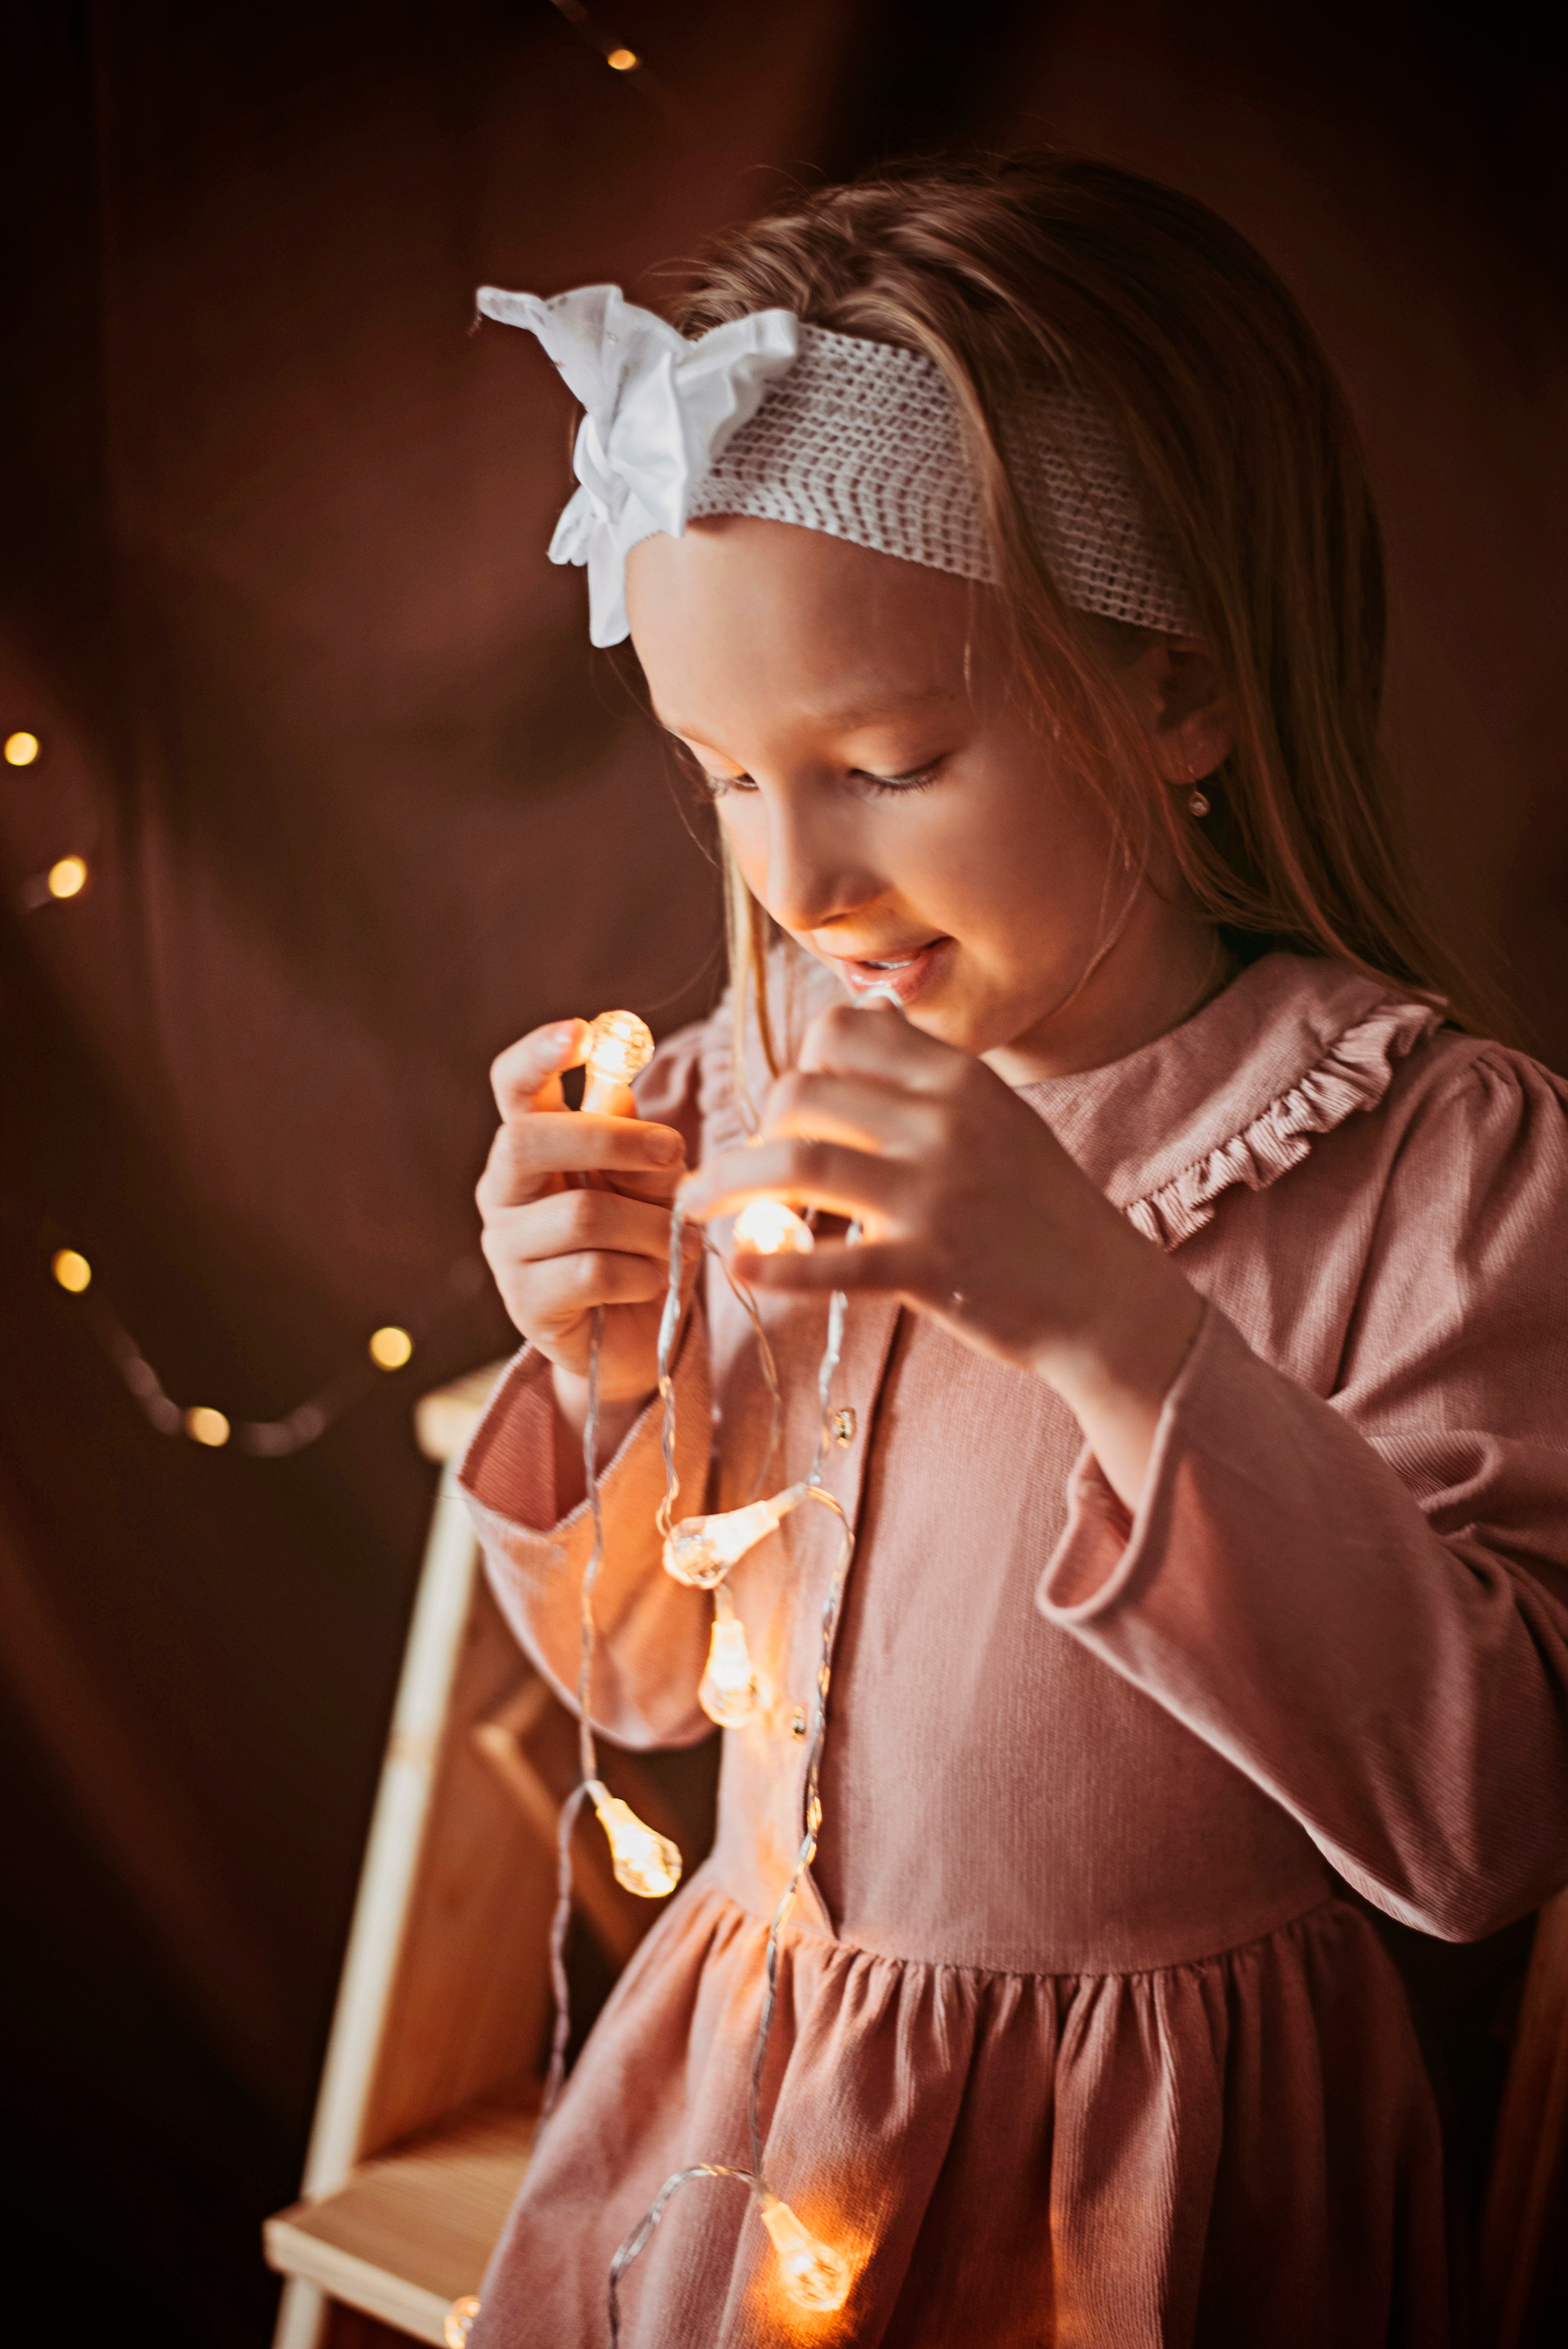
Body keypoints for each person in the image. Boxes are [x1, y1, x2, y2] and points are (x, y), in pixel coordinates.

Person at [457, 156, 1568, 2347]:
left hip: (1137, 2200)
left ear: (1179, 696)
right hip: (746, 2140)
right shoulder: (750, 1087)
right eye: (724, 777)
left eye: (885, 761)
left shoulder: (1434, 1163)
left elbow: (1483, 1823)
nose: (799, 881)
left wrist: (1111, 1325)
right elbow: (644, 1685)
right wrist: (603, 1369)